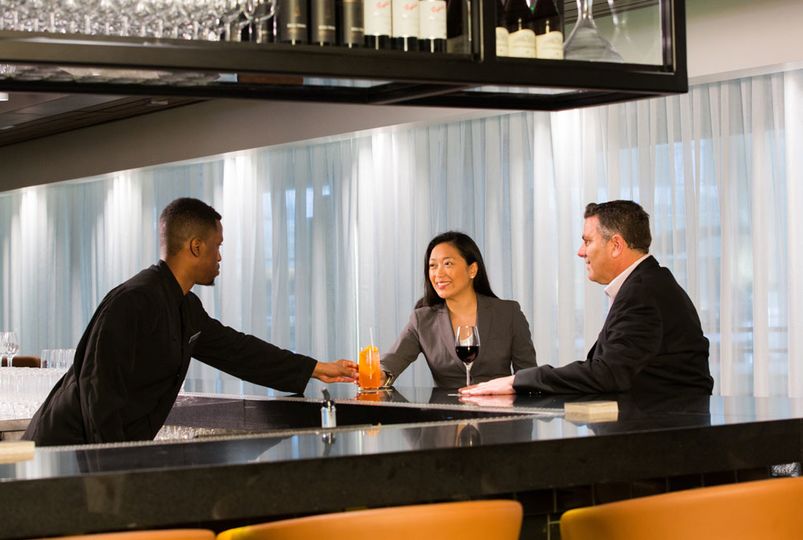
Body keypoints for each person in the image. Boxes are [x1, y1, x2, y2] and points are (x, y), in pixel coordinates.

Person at [24, 198, 357, 446]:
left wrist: (315, 368)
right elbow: (99, 393)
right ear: (196, 247)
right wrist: (114, 471)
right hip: (63, 450)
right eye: (217, 246)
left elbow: (237, 350)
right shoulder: (133, 300)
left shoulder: (185, 305)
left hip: (103, 452)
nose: (220, 257)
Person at [460, 200, 713, 397]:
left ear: (615, 245)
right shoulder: (649, 284)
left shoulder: (643, 294)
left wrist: (518, 381)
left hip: (662, 440)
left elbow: (607, 373)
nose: (581, 252)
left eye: (587, 241)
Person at [380, 231, 537, 388]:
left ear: (472, 270)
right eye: (433, 266)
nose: (438, 274)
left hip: (499, 410)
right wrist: (375, 375)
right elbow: (390, 364)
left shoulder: (508, 313)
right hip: (447, 411)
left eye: (448, 263)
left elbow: (528, 377)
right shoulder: (422, 320)